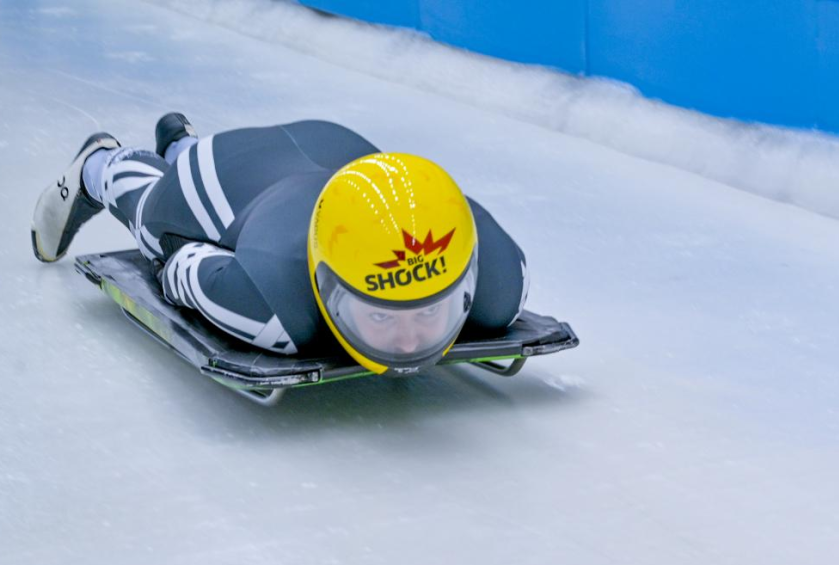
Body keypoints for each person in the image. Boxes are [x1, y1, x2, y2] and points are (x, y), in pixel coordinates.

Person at [30, 114, 529, 375]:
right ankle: (103, 164)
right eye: (380, 316)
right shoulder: (271, 310)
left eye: (428, 312)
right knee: (156, 221)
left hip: (331, 147)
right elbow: (180, 266)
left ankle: (182, 143)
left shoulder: (500, 279)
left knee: (200, 176)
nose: (408, 344)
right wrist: (181, 193)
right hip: (222, 175)